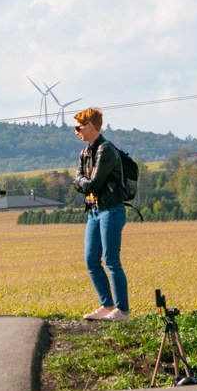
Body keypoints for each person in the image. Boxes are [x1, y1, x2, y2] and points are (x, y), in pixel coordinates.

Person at [72, 107, 130, 322]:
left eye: (78, 127)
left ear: (90, 126)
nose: (76, 131)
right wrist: (82, 183)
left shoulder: (106, 150)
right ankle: (106, 305)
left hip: (111, 210)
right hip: (93, 212)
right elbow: (79, 179)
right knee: (91, 260)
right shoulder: (85, 152)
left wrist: (82, 183)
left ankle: (122, 311)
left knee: (111, 260)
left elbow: (93, 183)